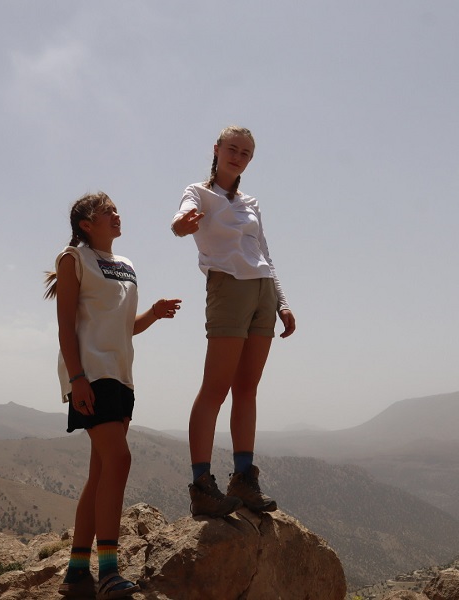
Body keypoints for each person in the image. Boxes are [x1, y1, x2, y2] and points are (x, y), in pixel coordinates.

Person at [45, 192, 181, 599]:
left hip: (121, 375)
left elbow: (123, 327)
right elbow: (65, 326)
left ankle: (75, 571)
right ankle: (108, 572)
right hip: (91, 373)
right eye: (108, 212)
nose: (118, 215)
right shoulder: (74, 259)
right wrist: (77, 377)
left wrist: (152, 314)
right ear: (87, 223)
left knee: (100, 473)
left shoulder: (127, 266)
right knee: (119, 460)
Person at [171, 125, 296, 518]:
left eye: (245, 152)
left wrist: (283, 302)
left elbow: (265, 253)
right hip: (227, 286)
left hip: (262, 292)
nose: (238, 156)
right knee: (215, 388)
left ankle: (244, 477)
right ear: (217, 149)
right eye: (232, 148)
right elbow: (179, 221)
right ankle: (201, 486)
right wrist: (182, 225)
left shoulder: (251, 202)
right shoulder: (198, 192)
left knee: (247, 388)